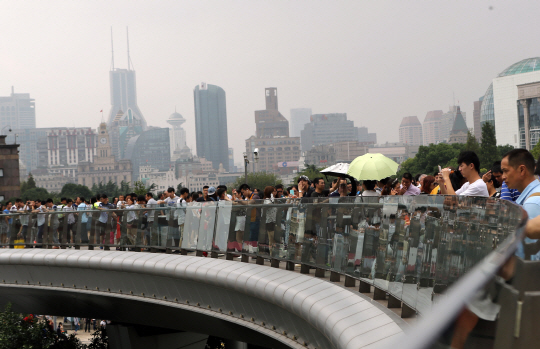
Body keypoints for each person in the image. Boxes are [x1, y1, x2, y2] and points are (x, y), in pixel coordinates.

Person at [502, 149, 540, 260]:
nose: (503, 176)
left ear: (522, 170)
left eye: (506, 171)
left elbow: (532, 257)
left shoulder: (531, 203)